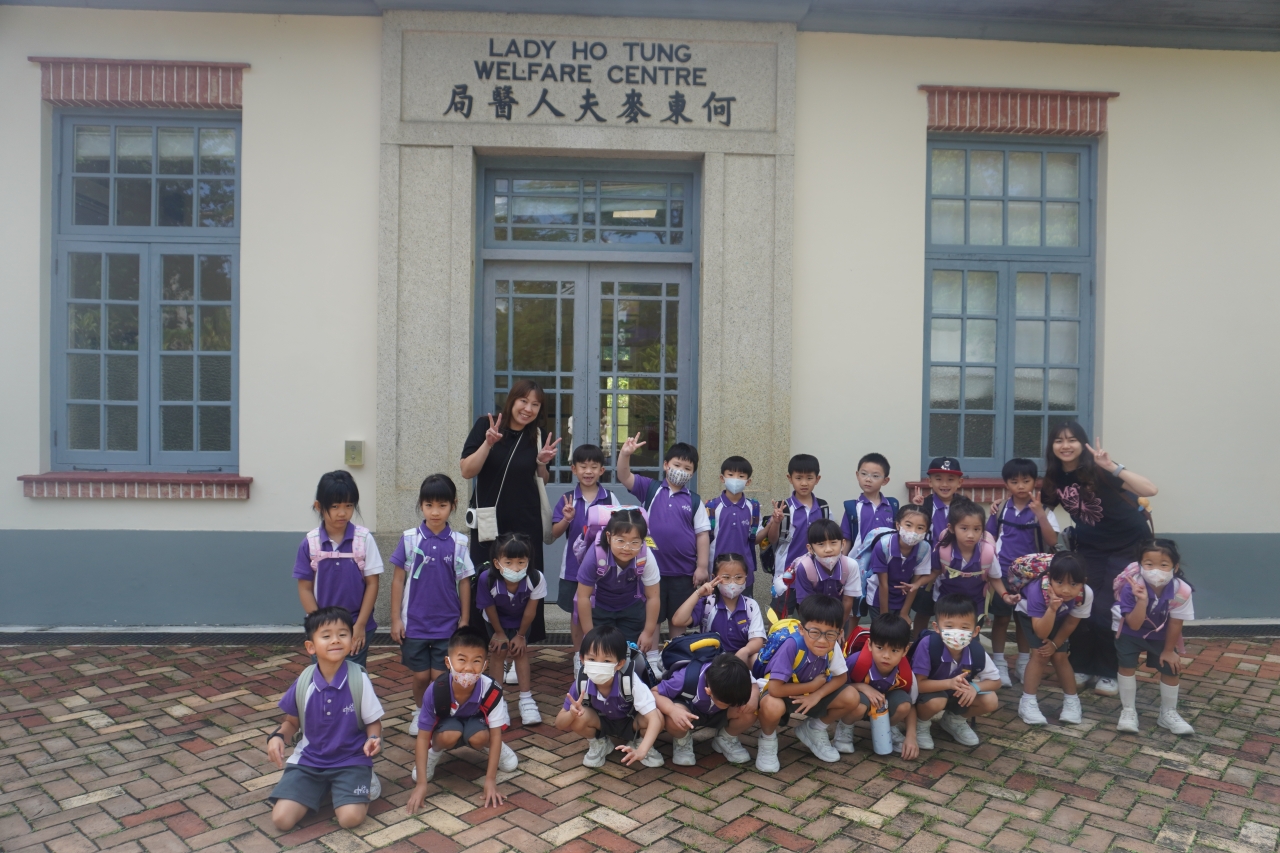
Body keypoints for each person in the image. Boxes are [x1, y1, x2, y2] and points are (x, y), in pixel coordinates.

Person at [1040, 421, 1158, 697]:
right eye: (1059, 440)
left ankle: (1108, 671)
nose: (1065, 446)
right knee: (1081, 602)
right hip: (1090, 548)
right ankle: (1082, 665)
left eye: (1072, 440)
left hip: (1128, 546)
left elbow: (1150, 489)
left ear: (1082, 444)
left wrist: (1111, 466)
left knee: (1108, 608)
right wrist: (1000, 506)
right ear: (1052, 446)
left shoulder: (1099, 469)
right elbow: (1037, 506)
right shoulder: (1055, 477)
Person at [266, 607, 384, 831]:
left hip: (351, 760)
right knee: (282, 820)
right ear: (311, 647)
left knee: (350, 819)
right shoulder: (305, 681)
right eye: (326, 636)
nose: (335, 640)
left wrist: (373, 739)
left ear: (352, 641)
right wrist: (278, 737)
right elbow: (291, 723)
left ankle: (361, 778)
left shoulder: (358, 679)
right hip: (309, 761)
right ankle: (322, 786)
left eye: (342, 634)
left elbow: (373, 722)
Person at [460, 379, 560, 626]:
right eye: (523, 401)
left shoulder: (536, 435)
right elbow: (467, 471)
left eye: (535, 404)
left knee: (525, 579)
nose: (528, 409)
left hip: (526, 521)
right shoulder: (486, 426)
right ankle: (483, 637)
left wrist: (541, 462)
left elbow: (542, 481)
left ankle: (521, 638)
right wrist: (488, 443)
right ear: (512, 400)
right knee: (485, 577)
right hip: (489, 520)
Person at [389, 474, 474, 737]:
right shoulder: (409, 539)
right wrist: (395, 619)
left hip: (446, 624)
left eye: (442, 505)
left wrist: (464, 619)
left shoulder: (459, 542)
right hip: (414, 623)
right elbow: (398, 580)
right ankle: (419, 711)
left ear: (453, 505)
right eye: (429, 505)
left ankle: (435, 713)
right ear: (421, 505)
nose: (435, 512)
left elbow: (464, 582)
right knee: (420, 676)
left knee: (439, 677)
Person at [617, 436, 711, 669]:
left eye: (687, 468)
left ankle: (674, 657)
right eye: (677, 465)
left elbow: (702, 534)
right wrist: (625, 454)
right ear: (666, 465)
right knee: (654, 616)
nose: (681, 471)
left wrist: (702, 567)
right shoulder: (650, 488)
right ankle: (651, 658)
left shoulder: (695, 501)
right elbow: (624, 476)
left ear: (693, 473)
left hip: (683, 573)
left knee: (679, 618)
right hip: (651, 571)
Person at [405, 627, 518, 810]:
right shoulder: (435, 690)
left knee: (481, 738)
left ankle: (491, 748)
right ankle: (434, 754)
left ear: (484, 665)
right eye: (462, 660)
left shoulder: (492, 690)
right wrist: (421, 785)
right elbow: (423, 737)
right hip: (448, 726)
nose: (468, 668)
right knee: (448, 736)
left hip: (477, 724)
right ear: (448, 662)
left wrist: (490, 780)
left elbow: (496, 733)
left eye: (476, 661)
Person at [755, 594, 863, 772]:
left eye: (830, 633)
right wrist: (812, 687)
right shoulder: (792, 645)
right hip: (782, 694)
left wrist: (817, 695)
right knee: (771, 705)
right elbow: (774, 689)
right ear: (801, 629)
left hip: (812, 696)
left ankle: (814, 729)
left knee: (851, 696)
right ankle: (767, 740)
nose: (822, 640)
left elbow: (841, 677)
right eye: (814, 632)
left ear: (839, 633)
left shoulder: (832, 646)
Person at [292, 471, 383, 668]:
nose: (342, 513)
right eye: (335, 506)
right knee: (324, 675)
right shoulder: (310, 543)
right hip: (322, 628)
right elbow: (305, 588)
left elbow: (372, 584)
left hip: (356, 625)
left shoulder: (364, 539)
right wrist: (320, 627)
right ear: (319, 506)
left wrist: (360, 625)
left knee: (354, 675)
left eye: (348, 506)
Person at [986, 458, 1060, 686]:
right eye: (1014, 481)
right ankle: (999, 663)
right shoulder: (1000, 509)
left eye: (1026, 480)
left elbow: (1052, 541)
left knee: (1024, 619)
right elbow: (988, 538)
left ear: (1035, 482)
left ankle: (1023, 662)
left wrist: (1040, 515)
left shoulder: (1044, 510)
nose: (1020, 486)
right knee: (1000, 618)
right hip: (1003, 572)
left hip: (1032, 577)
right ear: (1006, 483)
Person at [1114, 539, 1195, 735]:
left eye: (1164, 565)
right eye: (1149, 564)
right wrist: (1142, 601)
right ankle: (1128, 710)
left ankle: (1168, 713)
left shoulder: (1182, 591)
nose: (1156, 570)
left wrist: (1168, 651)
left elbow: (1176, 622)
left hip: (1161, 633)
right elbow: (1133, 624)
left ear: (1175, 567)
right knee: (1126, 665)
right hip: (1130, 631)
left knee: (1170, 667)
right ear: (1141, 565)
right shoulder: (1131, 587)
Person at [550, 443, 620, 670]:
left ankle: (600, 654)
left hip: (604, 569)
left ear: (602, 470)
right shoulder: (567, 499)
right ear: (574, 469)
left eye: (594, 466)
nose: (588, 471)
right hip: (573, 569)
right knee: (576, 614)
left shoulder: (610, 497)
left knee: (600, 612)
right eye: (583, 466)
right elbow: (554, 533)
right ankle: (579, 655)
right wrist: (567, 519)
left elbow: (621, 529)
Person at [555, 626, 664, 768]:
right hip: (601, 722)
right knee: (578, 717)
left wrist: (642, 751)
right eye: (592, 659)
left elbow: (654, 718)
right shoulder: (582, 682)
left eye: (606, 661)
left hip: (631, 722)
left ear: (620, 664)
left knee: (658, 716)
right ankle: (600, 743)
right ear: (582, 659)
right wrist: (571, 714)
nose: (598, 665)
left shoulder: (630, 681)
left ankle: (640, 742)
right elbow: (559, 724)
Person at [912, 594, 1001, 748]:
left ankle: (954, 720)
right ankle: (921, 724)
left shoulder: (976, 651)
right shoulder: (928, 645)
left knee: (990, 700)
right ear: (936, 627)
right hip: (929, 695)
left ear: (975, 631)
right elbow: (918, 685)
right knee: (936, 701)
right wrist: (949, 683)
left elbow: (996, 681)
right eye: (949, 626)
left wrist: (975, 687)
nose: (957, 633)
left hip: (957, 694)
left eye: (964, 627)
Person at [475, 533, 545, 727]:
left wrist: (520, 635)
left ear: (528, 561)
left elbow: (531, 610)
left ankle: (526, 699)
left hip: (521, 621)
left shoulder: (536, 578)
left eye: (521, 562)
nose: (516, 568)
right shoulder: (486, 579)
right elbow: (488, 607)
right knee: (498, 653)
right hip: (495, 621)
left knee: (520, 653)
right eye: (509, 562)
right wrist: (499, 633)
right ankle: (497, 701)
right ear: (497, 563)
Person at [1015, 552, 1091, 726]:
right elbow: (1041, 633)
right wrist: (1051, 609)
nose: (1066, 590)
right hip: (1033, 615)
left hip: (1062, 615)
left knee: (1060, 656)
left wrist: (1055, 644)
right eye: (1059, 582)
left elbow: (1071, 622)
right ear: (1050, 579)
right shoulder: (1036, 591)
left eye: (1073, 584)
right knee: (1040, 654)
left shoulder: (1085, 594)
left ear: (1083, 582)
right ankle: (1027, 702)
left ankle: (1072, 702)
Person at [574, 508, 661, 650]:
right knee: (601, 651)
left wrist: (648, 632)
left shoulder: (645, 557)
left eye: (634, 542)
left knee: (631, 652)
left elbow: (653, 597)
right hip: (600, 607)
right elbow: (583, 596)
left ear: (643, 540)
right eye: (620, 540)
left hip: (631, 607)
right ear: (609, 537)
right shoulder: (595, 556)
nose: (627, 548)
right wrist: (590, 635)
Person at [840, 613, 919, 758]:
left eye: (894, 650)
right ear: (870, 645)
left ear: (905, 650)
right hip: (859, 703)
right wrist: (862, 687)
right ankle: (845, 728)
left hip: (885, 705)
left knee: (905, 705)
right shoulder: (855, 662)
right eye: (880, 647)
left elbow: (912, 706)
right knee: (857, 704)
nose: (886, 656)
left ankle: (888, 727)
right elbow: (838, 688)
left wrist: (911, 737)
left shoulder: (906, 673)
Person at [656, 653, 757, 766]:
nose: (732, 705)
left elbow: (752, 681)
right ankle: (682, 741)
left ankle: (726, 738)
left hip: (717, 711)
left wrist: (754, 694)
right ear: (708, 691)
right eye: (728, 704)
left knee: (750, 711)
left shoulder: (736, 673)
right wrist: (672, 710)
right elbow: (654, 692)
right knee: (673, 718)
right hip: (689, 709)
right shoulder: (684, 678)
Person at [671, 553, 766, 661]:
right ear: (714, 578)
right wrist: (698, 593)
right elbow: (678, 621)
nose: (732, 583)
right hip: (712, 660)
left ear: (746, 578)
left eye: (739, 577)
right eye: (726, 577)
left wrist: (745, 651)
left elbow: (757, 640)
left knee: (757, 660)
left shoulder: (751, 605)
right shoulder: (708, 603)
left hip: (741, 659)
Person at [909, 457, 966, 632]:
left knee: (954, 613)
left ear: (959, 482)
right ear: (930, 482)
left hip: (956, 568)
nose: (944, 484)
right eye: (938, 479)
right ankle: (919, 642)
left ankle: (950, 643)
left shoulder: (966, 506)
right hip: (928, 568)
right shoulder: (924, 505)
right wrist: (915, 510)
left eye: (951, 479)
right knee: (923, 611)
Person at [926, 498, 1002, 622]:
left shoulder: (987, 553)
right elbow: (935, 572)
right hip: (946, 603)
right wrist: (916, 584)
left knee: (972, 633)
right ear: (951, 528)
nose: (970, 535)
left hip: (975, 605)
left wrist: (1005, 596)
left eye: (976, 529)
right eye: (964, 528)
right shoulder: (943, 551)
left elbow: (994, 578)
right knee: (947, 631)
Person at [775, 518, 861, 625]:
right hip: (813, 619)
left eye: (833, 543)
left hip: (840, 617)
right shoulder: (805, 567)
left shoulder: (850, 565)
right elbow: (805, 604)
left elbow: (848, 600)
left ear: (843, 544)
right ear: (810, 549)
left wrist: (839, 627)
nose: (828, 549)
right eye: (821, 544)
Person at [762, 454, 830, 576]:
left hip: (817, 572)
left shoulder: (823, 507)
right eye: (798, 478)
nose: (804, 483)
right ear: (790, 478)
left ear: (817, 479)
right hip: (786, 572)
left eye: (809, 478)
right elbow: (772, 540)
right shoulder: (783, 508)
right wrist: (776, 522)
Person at [863, 504, 932, 621]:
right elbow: (883, 584)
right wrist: (884, 616)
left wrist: (904, 612)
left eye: (920, 528)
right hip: (878, 599)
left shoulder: (924, 549)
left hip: (903, 600)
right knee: (882, 630)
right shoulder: (884, 546)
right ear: (898, 525)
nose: (913, 532)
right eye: (908, 525)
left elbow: (913, 585)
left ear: (926, 530)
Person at [705, 456, 765, 589]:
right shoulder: (711, 507)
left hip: (744, 575)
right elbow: (703, 539)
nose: (735, 479)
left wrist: (772, 523)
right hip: (716, 574)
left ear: (748, 481)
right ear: (722, 478)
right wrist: (702, 568)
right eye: (731, 475)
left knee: (744, 602)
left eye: (741, 476)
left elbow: (755, 538)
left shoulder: (753, 507)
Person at [840, 453, 898, 556]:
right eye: (864, 474)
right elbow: (846, 539)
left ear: (885, 481)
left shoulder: (892, 505)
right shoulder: (852, 508)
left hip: (886, 561)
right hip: (858, 561)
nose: (868, 479)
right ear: (857, 475)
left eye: (875, 476)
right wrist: (841, 561)